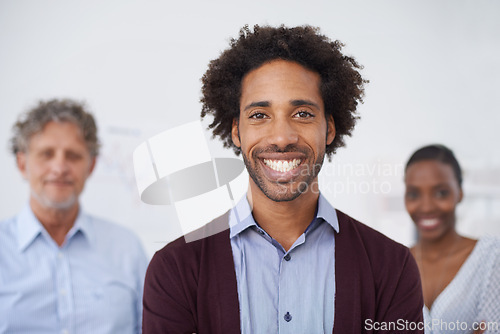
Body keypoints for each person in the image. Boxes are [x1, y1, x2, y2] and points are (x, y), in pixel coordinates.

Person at [143, 25, 424, 333]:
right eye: (259, 115)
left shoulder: (391, 268)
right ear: (236, 130)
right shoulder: (174, 271)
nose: (281, 138)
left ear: (329, 128)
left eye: (302, 113)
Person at [0, 99, 148, 334]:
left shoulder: (127, 249)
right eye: (46, 154)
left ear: (91, 166)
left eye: (73, 155)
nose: (59, 167)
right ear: (21, 163)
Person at [405, 144, 500, 334]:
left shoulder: (491, 257)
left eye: (441, 193)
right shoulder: (392, 264)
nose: (427, 207)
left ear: (460, 193)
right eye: (414, 194)